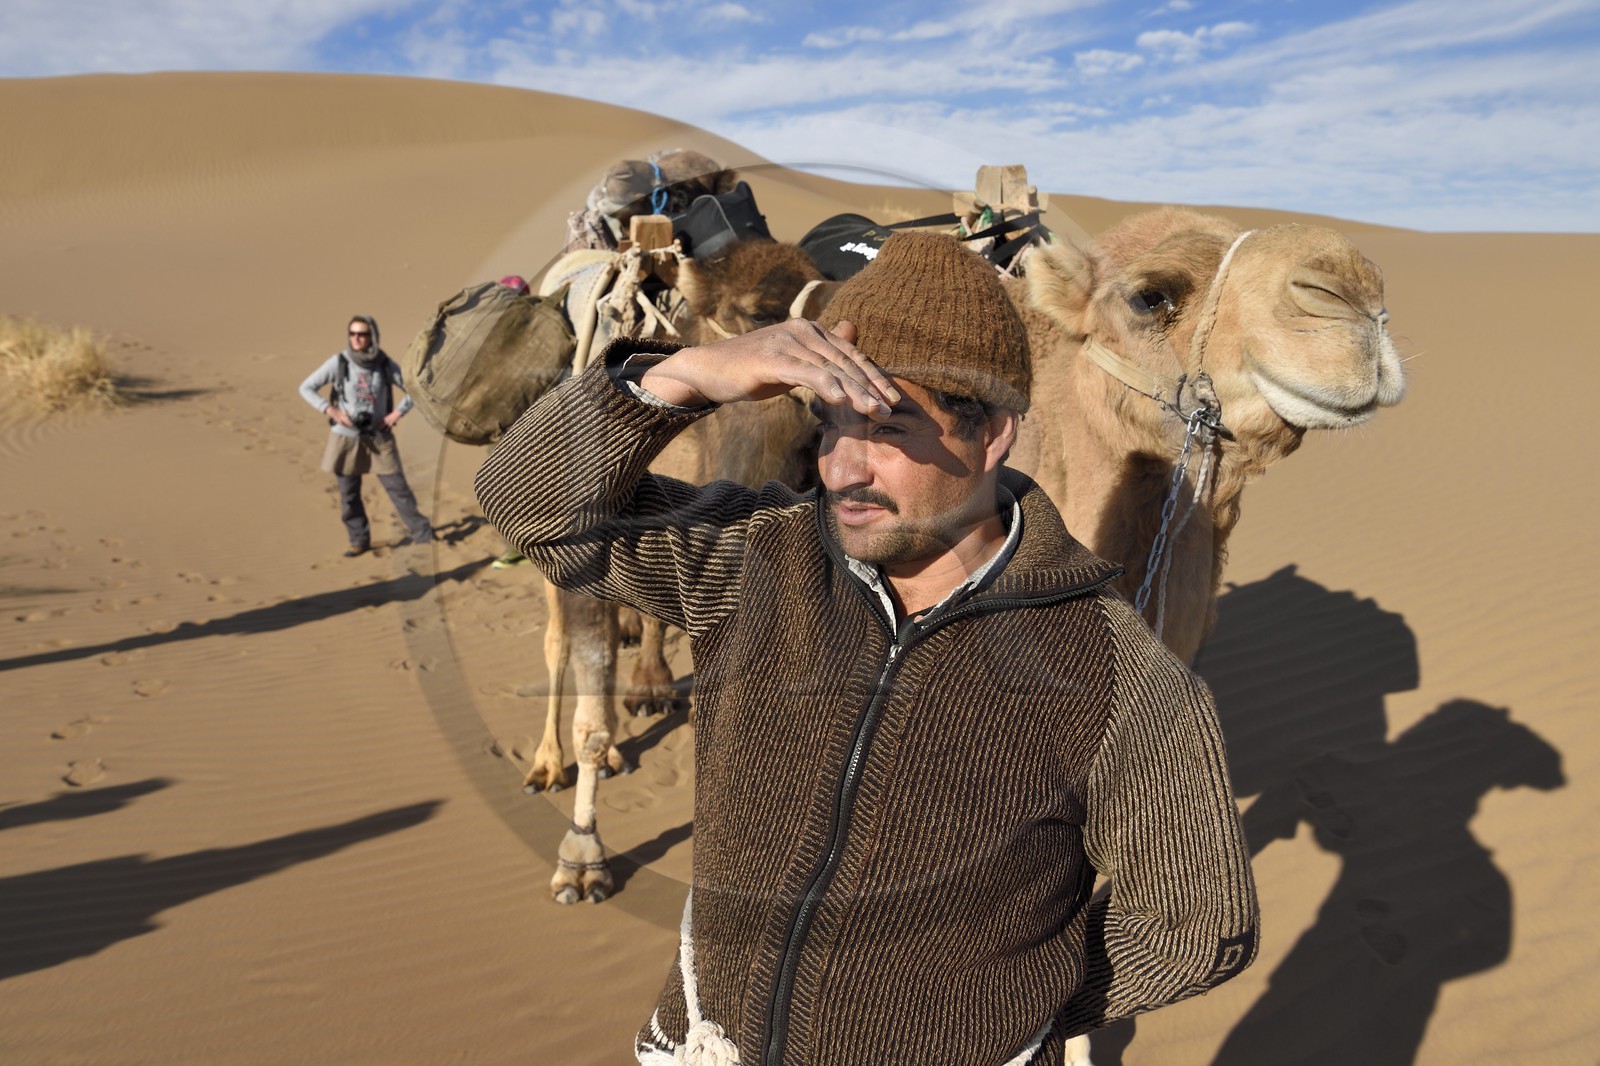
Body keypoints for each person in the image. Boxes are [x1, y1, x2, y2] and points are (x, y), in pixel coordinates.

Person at [476, 234, 1257, 1065]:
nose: (842, 467)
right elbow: (531, 505)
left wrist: (1003, 1014)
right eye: (828, 423)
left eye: (886, 427)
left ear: (991, 434)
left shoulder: (1115, 673)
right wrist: (682, 377)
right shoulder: (757, 559)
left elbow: (1195, 926)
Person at [298, 315, 433, 556]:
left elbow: (415, 389)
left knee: (398, 488)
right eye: (352, 334)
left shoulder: (383, 364)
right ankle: (359, 540)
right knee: (349, 494)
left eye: (362, 334)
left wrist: (396, 414)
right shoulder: (339, 362)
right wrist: (330, 410)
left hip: (378, 438)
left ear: (373, 336)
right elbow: (306, 387)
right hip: (345, 438)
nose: (356, 339)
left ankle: (423, 534)